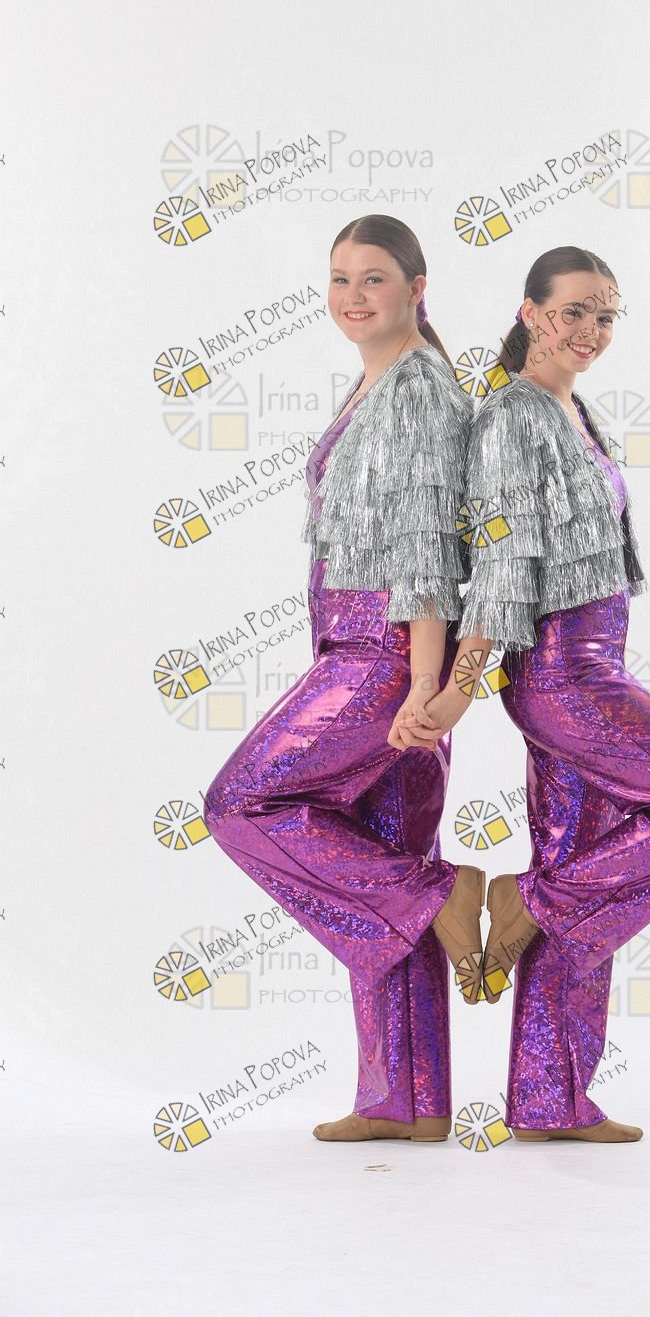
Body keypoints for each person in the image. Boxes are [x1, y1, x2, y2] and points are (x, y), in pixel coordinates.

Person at [441, 246, 650, 1144]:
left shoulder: (573, 410)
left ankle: (550, 1100)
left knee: (590, 874)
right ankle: (527, 900)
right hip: (565, 677)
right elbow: (502, 561)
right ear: (530, 312)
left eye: (606, 315)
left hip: (592, 664)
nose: (591, 329)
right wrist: (462, 685)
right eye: (574, 310)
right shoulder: (512, 417)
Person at [201, 215, 487, 1146]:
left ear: (417, 286)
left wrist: (423, 679)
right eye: (339, 279)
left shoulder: (419, 390)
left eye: (374, 278)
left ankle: (438, 896)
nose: (353, 296)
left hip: (382, 653)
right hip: (371, 648)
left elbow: (427, 545)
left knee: (245, 803)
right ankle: (407, 1099)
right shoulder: (380, 382)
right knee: (382, 848)